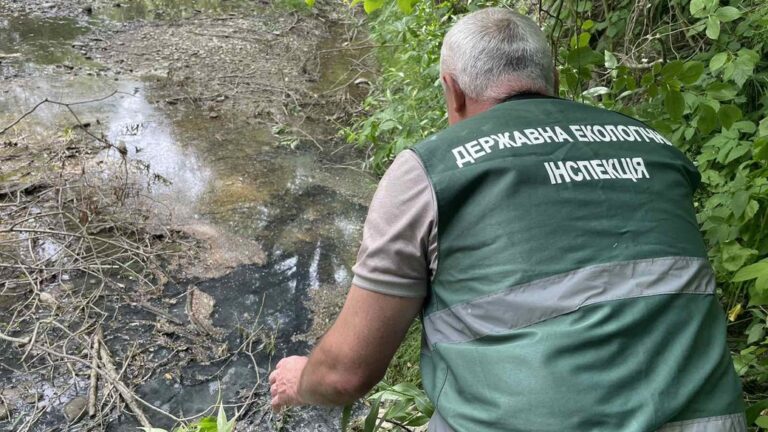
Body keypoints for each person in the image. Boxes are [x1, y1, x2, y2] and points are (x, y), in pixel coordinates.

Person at [269, 7, 746, 431]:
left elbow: (347, 372)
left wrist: (302, 379)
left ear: (451, 91)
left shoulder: (431, 170)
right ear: (552, 79)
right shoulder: (658, 149)